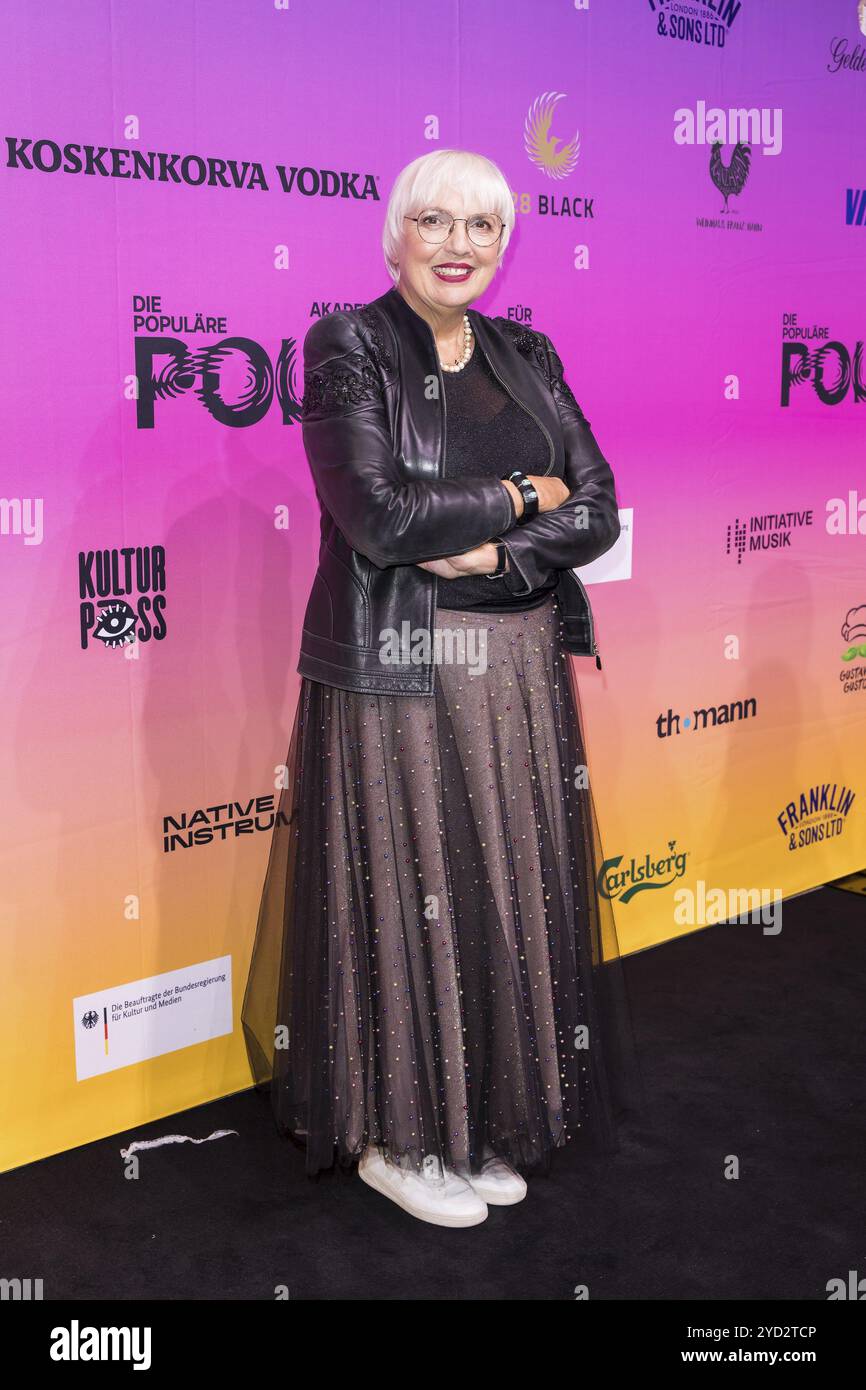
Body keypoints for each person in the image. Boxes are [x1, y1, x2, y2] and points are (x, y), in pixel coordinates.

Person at [242, 148, 644, 1229]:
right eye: (434, 220)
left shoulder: (525, 350)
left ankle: (483, 1119)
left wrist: (500, 555)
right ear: (393, 234)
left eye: (481, 225)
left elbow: (597, 505)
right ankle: (399, 1135)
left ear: (503, 244)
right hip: (401, 669)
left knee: (500, 887)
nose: (458, 243)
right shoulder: (349, 346)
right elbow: (378, 517)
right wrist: (519, 491)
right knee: (408, 886)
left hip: (517, 666)